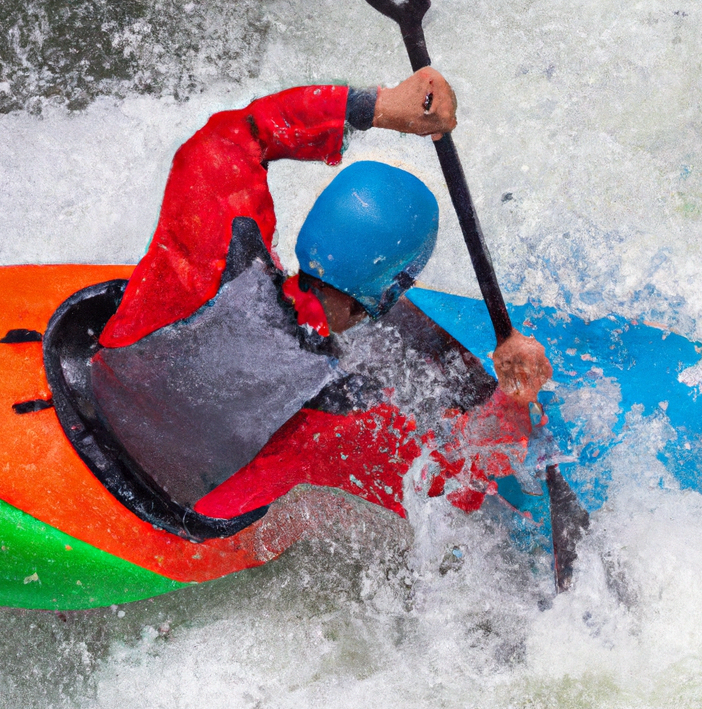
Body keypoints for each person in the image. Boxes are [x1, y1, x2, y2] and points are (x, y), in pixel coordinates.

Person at [88, 70, 552, 522]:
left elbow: (237, 132)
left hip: (89, 405)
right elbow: (460, 485)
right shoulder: (342, 418)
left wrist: (378, 107)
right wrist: (514, 398)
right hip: (166, 516)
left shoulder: (216, 249)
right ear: (387, 295)